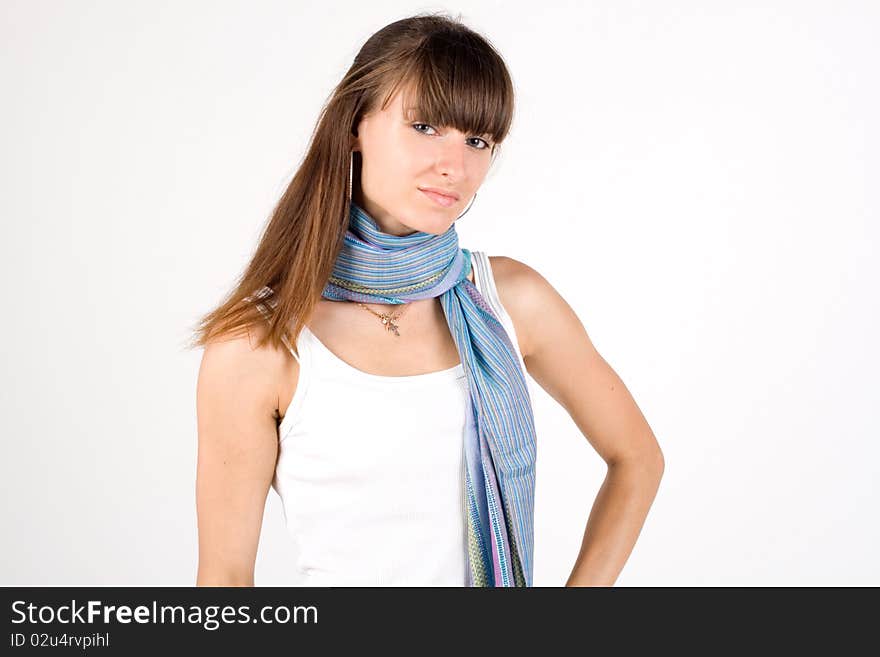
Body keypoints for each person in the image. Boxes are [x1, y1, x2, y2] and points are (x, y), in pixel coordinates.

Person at [189, 12, 664, 587]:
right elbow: (224, 582)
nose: (455, 165)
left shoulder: (511, 301)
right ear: (353, 126)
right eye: (425, 127)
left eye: (478, 140)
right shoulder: (259, 344)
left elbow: (637, 458)